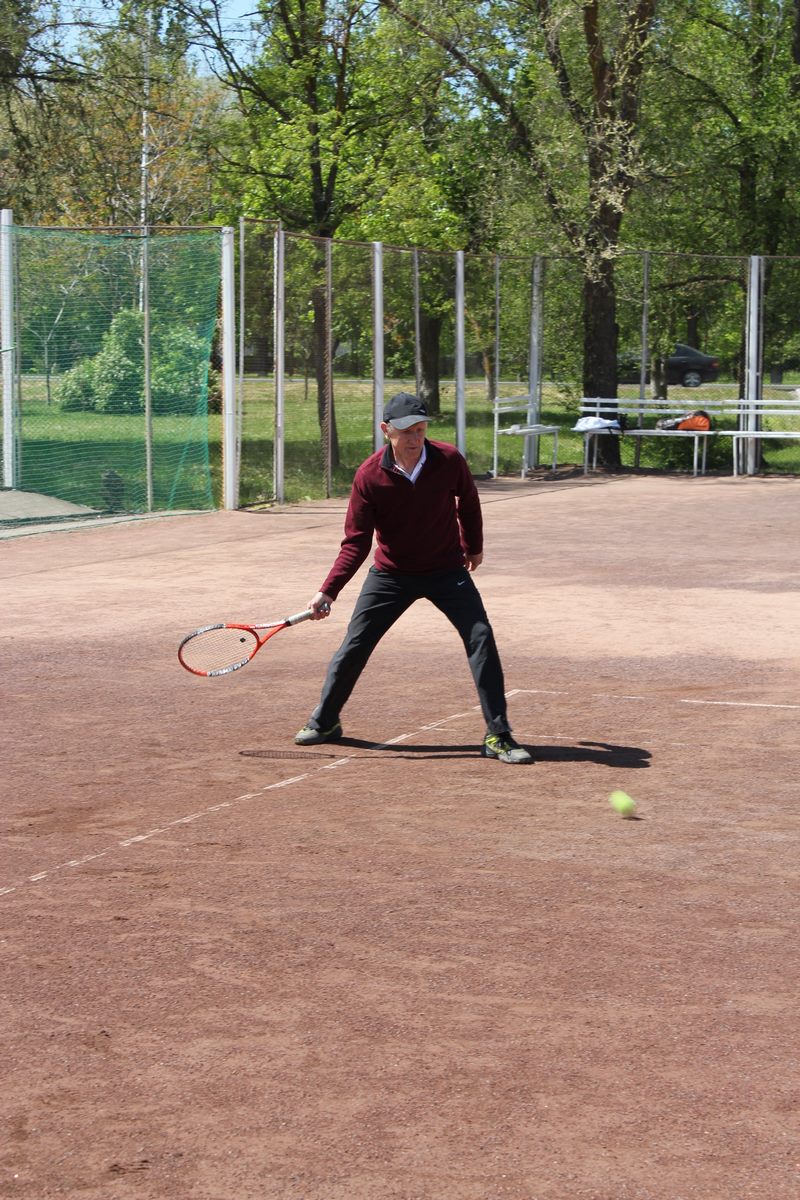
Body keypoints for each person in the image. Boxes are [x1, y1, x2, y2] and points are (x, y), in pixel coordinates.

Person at [294, 392, 532, 764]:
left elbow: (468, 502)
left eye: (420, 429)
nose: (415, 437)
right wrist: (328, 590)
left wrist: (474, 546)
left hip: (446, 570)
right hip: (391, 574)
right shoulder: (369, 476)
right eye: (406, 430)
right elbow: (355, 541)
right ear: (386, 429)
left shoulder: (449, 460)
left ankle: (498, 734)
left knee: (480, 637)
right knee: (355, 645)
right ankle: (325, 721)